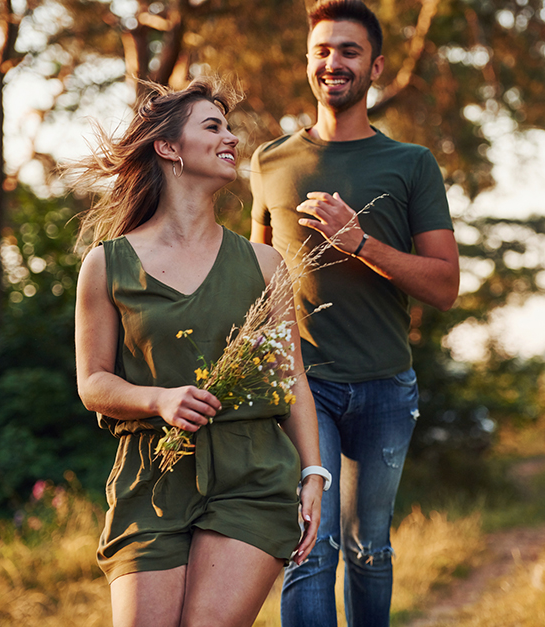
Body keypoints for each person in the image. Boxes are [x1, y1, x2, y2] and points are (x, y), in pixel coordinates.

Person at [73, 76, 329, 627]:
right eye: (213, 126)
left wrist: (313, 472)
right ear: (168, 148)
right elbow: (92, 383)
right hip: (151, 478)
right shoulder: (106, 265)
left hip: (254, 475)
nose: (231, 137)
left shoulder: (264, 266)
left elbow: (293, 382)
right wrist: (158, 400)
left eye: (229, 126)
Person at [249, 1, 461, 625]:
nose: (333, 62)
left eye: (348, 51)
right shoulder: (269, 162)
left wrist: (359, 244)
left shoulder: (412, 164)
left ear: (376, 67)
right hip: (304, 387)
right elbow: (256, 282)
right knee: (310, 548)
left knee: (369, 550)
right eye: (322, 50)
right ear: (308, 62)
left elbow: (445, 285)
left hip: (386, 388)